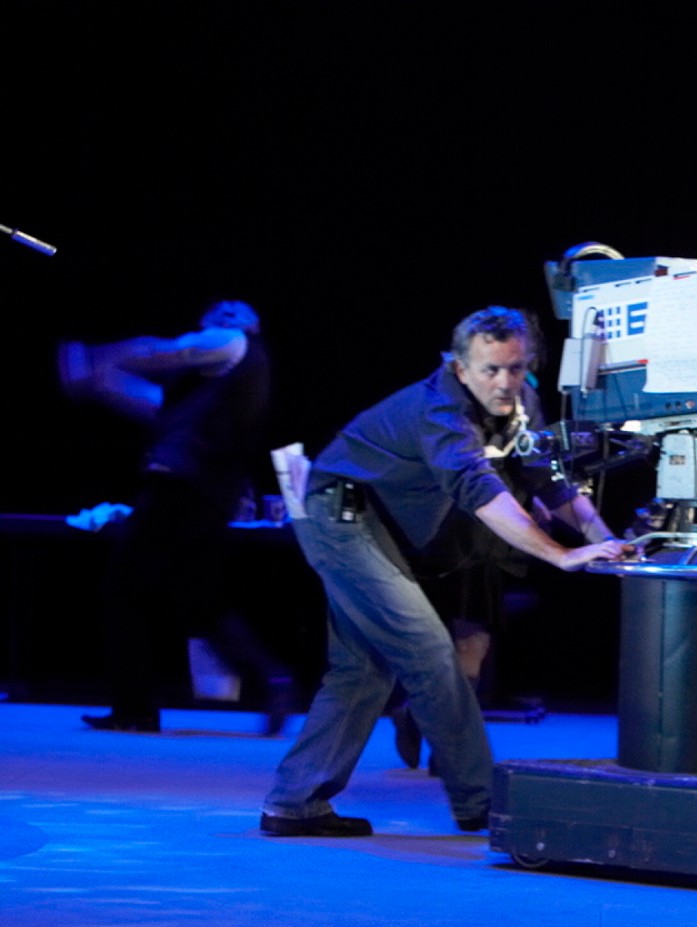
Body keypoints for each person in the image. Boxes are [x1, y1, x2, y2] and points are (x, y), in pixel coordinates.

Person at [259, 307, 624, 838]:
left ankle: (294, 802)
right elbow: (481, 493)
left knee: (362, 670)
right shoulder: (441, 410)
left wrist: (604, 541)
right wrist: (559, 554)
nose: (505, 383)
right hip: (340, 515)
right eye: (491, 370)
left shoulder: (522, 402)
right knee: (427, 649)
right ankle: (483, 802)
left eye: (517, 368)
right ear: (459, 368)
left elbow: (549, 481)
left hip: (373, 523)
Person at [60, 301, 290, 735]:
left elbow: (161, 351)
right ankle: (271, 679)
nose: (226, 314)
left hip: (180, 487)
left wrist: (97, 355)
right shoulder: (214, 381)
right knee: (200, 600)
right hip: (210, 493)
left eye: (234, 312)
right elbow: (151, 402)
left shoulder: (233, 342)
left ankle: (134, 709)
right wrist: (99, 378)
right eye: (218, 312)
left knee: (122, 588)